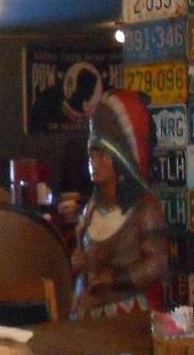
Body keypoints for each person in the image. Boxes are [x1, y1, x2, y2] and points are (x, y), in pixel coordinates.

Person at [71, 89, 170, 318]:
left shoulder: (146, 209)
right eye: (91, 156)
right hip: (89, 312)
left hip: (129, 311)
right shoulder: (91, 209)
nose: (94, 164)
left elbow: (156, 266)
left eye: (102, 157)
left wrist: (115, 278)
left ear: (119, 161)